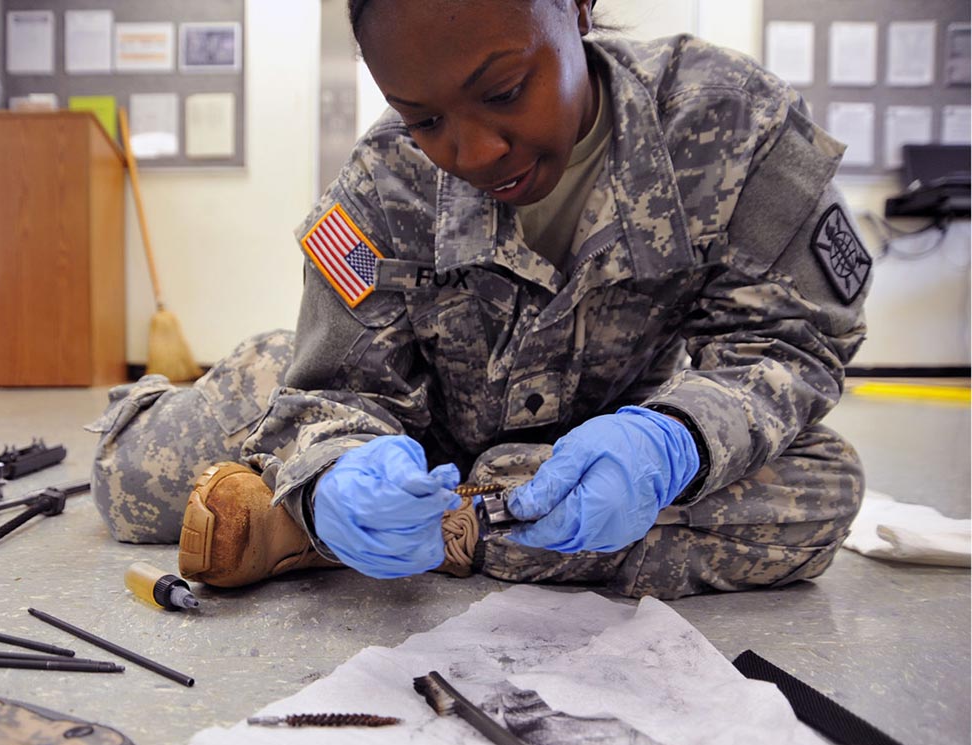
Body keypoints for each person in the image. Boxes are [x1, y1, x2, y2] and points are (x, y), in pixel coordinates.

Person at [89, 0, 871, 600]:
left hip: (598, 441)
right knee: (131, 488)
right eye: (424, 118)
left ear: (576, 8)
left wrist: (673, 442)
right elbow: (344, 387)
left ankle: (320, 527)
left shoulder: (731, 124)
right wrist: (335, 469)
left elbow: (788, 344)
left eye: (504, 91)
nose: (473, 152)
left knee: (823, 493)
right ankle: (377, 514)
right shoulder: (382, 178)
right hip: (400, 423)